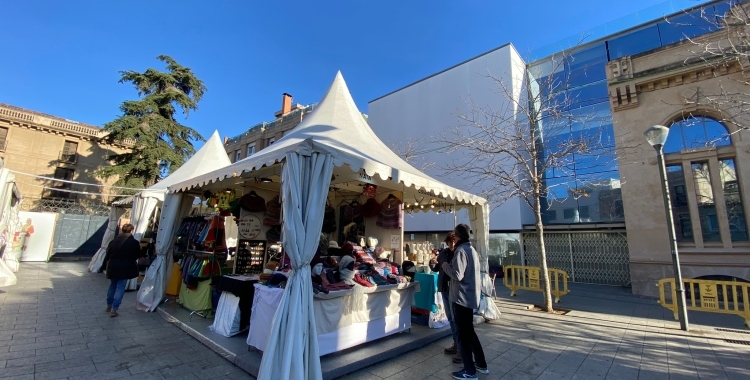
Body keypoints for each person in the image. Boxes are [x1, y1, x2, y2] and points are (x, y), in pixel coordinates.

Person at [442, 224, 488, 379]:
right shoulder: (471, 249)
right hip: (469, 297)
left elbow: (457, 274)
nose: (453, 237)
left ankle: (469, 370)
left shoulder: (461, 251)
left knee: (464, 334)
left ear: (458, 235)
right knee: (470, 332)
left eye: (454, 235)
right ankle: (481, 364)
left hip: (461, 298)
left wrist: (445, 264)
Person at [429, 232, 462, 363]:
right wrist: (432, 263)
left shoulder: (459, 253)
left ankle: (460, 348)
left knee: (456, 318)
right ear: (447, 242)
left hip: (455, 289)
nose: (452, 244)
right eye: (450, 242)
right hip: (444, 287)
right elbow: (437, 268)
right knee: (450, 318)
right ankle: (456, 343)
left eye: (454, 241)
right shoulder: (443, 253)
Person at [102, 223, 143, 317]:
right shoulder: (134, 243)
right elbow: (137, 255)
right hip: (125, 267)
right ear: (131, 231)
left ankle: (109, 305)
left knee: (112, 285)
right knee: (120, 287)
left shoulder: (113, 241)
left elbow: (108, 254)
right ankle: (114, 309)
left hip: (113, 266)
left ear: (122, 230)